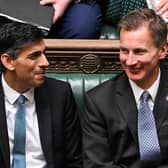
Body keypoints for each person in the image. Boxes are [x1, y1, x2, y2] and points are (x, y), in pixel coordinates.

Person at [82, 8, 168, 168]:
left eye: (139, 52)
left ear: (162, 50)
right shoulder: (98, 101)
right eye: (124, 51)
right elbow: (97, 165)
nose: (129, 61)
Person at [0, 22, 82, 167]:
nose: (45, 62)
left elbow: (74, 160)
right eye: (34, 56)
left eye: (44, 53)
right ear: (8, 61)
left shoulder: (60, 94)